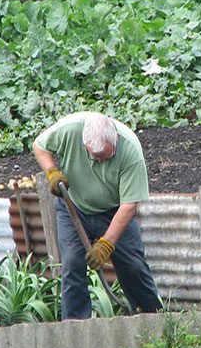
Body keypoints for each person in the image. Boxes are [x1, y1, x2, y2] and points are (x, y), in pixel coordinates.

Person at [32, 111, 163, 320]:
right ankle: (75, 328)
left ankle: (155, 321)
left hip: (114, 212)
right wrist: (51, 171)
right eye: (96, 157)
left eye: (107, 156)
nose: (101, 162)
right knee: (73, 264)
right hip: (73, 208)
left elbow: (129, 205)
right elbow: (39, 146)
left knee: (133, 266)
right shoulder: (69, 129)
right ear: (84, 146)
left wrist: (106, 245)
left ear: (116, 140)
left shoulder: (130, 149)